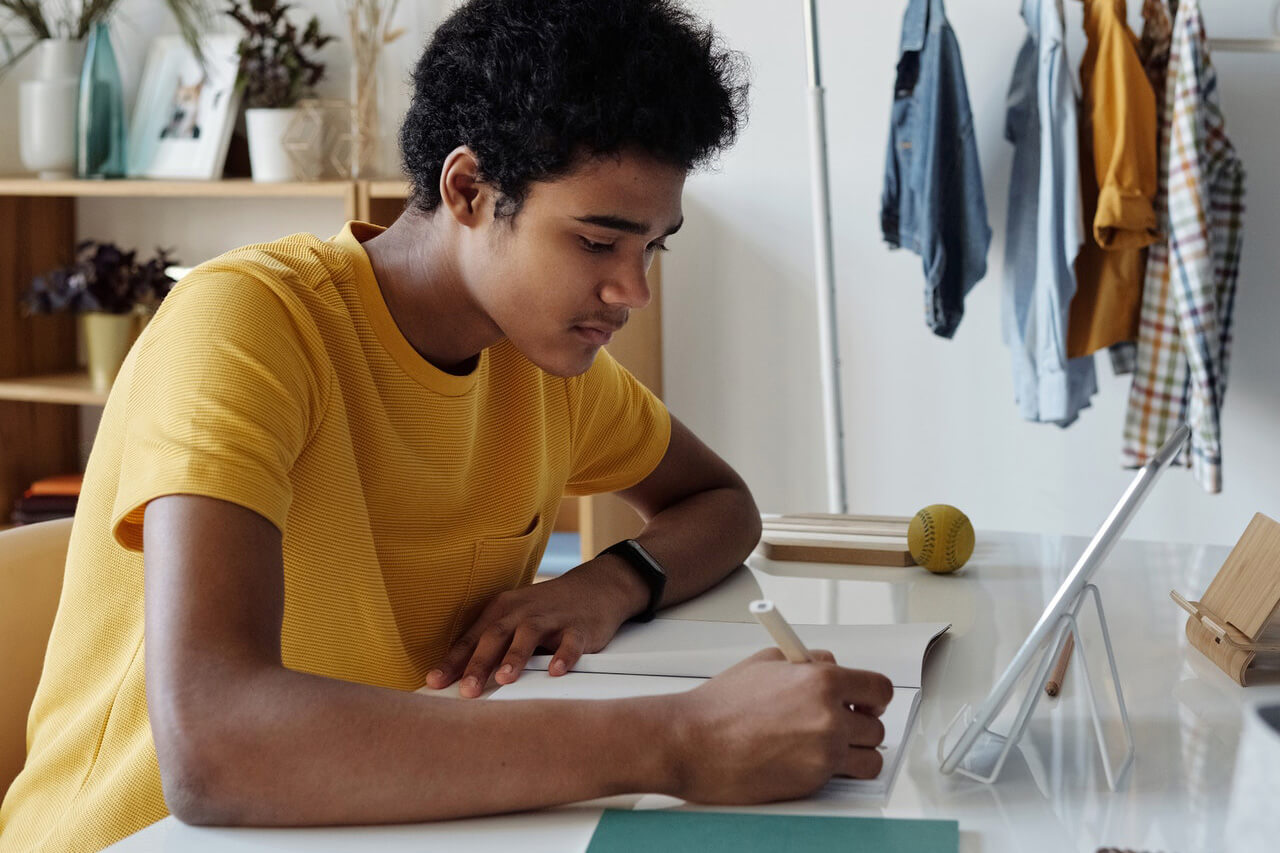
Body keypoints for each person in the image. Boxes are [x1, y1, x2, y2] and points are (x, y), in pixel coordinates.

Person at [0, 1, 891, 850]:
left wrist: (605, 586)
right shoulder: (248, 323)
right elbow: (216, 744)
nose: (633, 291)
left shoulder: (545, 363)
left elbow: (719, 502)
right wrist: (679, 740)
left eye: (653, 246)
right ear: (467, 189)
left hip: (374, 823)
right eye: (596, 242)